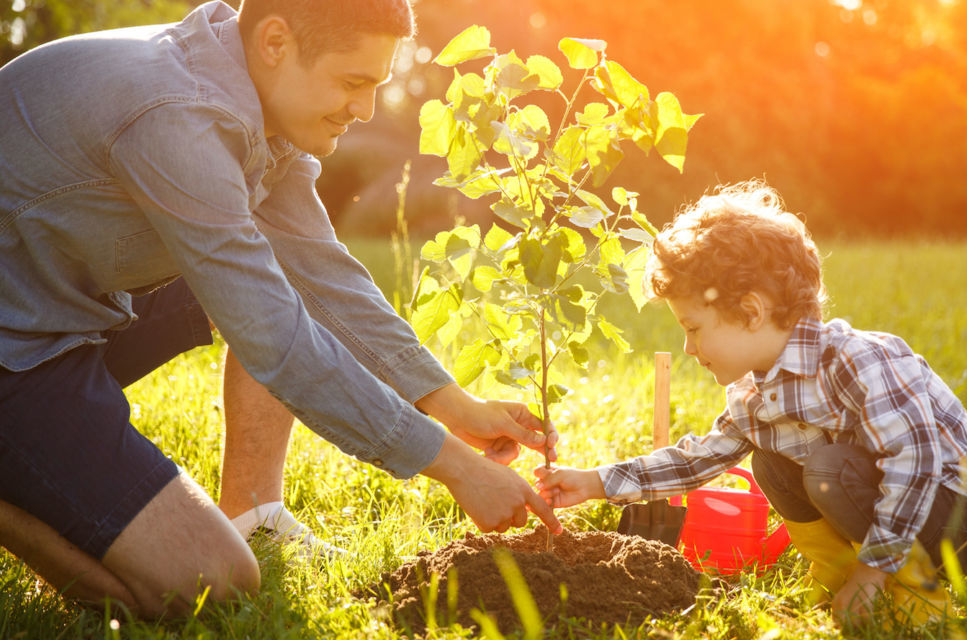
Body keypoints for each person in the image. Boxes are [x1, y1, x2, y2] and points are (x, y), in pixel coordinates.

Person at [0, 0, 562, 619]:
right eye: (354, 83)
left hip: (63, 307)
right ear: (275, 43)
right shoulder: (177, 116)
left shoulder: (257, 102)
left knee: (273, 276)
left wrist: (454, 407)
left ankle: (254, 515)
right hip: (15, 355)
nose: (366, 109)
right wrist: (457, 469)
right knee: (212, 583)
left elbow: (323, 274)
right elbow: (276, 337)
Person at [534, 180, 967, 628]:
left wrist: (873, 571)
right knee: (773, 462)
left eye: (693, 328)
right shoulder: (752, 395)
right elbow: (696, 459)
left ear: (751, 312)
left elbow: (916, 462)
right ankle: (837, 576)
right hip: (892, 507)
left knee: (827, 468)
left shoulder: (856, 360)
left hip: (960, 515)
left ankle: (915, 595)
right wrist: (594, 482)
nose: (687, 348)